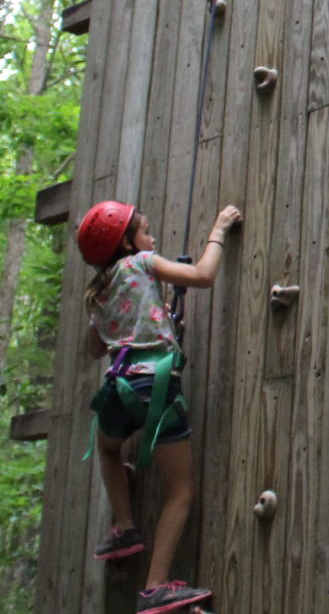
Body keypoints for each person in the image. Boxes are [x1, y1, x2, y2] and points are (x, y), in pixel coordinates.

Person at [75, 199, 242, 614]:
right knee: (180, 491)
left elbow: (97, 346)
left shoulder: (97, 292)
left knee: (110, 449)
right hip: (155, 386)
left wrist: (153, 318)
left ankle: (126, 528)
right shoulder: (142, 263)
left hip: (118, 389)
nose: (151, 238)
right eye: (145, 232)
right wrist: (218, 229)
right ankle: (155, 588)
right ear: (127, 244)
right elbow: (203, 275)